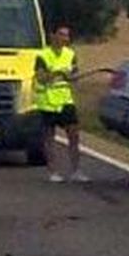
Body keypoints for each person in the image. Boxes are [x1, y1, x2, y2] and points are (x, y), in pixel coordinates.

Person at [34, 25, 86, 182]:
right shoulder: (42, 55)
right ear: (53, 35)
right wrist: (57, 73)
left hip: (65, 100)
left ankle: (76, 171)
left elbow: (75, 75)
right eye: (62, 35)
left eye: (67, 36)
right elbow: (41, 78)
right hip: (48, 102)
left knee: (74, 136)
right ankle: (53, 172)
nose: (65, 39)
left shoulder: (70, 54)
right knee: (49, 138)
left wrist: (72, 76)